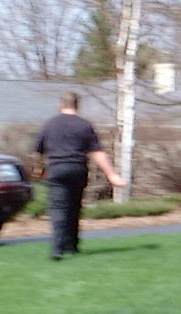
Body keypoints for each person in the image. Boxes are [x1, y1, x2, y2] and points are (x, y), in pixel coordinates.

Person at [32, 92, 124, 260]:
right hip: (77, 169)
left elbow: (38, 151)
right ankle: (72, 245)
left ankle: (57, 249)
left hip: (56, 170)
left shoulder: (50, 124)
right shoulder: (84, 125)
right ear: (77, 105)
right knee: (74, 207)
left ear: (60, 105)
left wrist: (37, 170)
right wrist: (112, 175)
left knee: (59, 208)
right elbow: (97, 152)